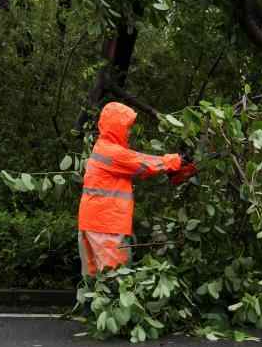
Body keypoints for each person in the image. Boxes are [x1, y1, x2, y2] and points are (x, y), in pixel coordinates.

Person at [77, 102, 197, 277]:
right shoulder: (112, 152)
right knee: (117, 280)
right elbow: (141, 163)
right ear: (116, 127)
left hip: (92, 223)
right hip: (107, 226)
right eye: (126, 127)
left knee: (94, 283)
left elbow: (137, 168)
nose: (129, 132)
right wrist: (176, 160)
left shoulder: (102, 148)